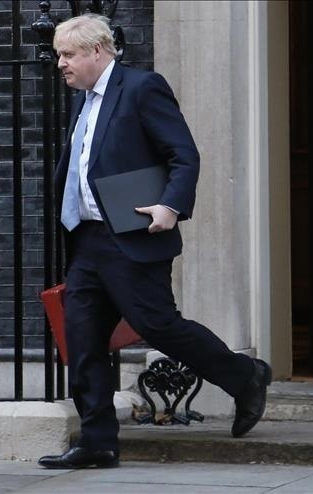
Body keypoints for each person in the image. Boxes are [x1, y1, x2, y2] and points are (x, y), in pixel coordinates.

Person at [38, 14, 272, 470]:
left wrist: (170, 206)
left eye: (67, 54)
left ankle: (245, 375)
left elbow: (182, 154)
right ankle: (97, 441)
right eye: (58, 55)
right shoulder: (82, 100)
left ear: (97, 51)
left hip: (132, 235)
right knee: (83, 340)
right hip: (87, 240)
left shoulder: (142, 89)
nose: (60, 64)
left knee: (158, 325)